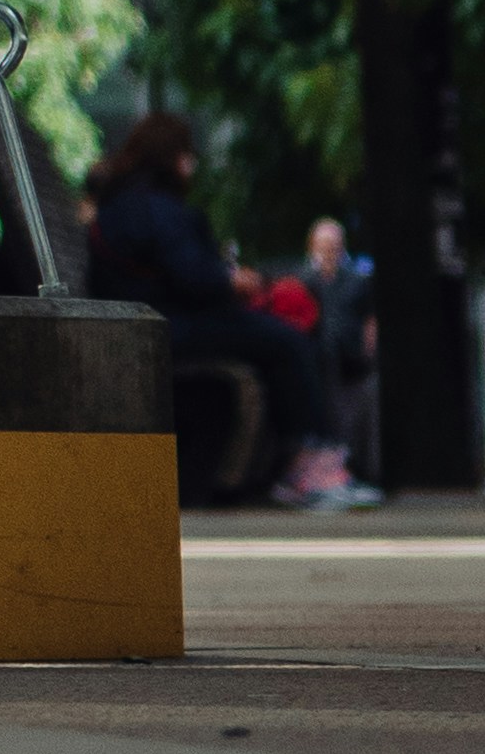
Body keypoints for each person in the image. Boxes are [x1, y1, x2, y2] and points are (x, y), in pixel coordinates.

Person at [87, 113, 376, 508]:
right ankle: (308, 466)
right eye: (187, 154)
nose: (192, 164)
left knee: (280, 339)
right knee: (287, 342)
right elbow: (195, 277)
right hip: (164, 325)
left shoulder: (126, 201)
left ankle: (305, 460)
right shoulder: (155, 206)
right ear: (173, 156)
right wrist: (236, 281)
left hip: (145, 322)